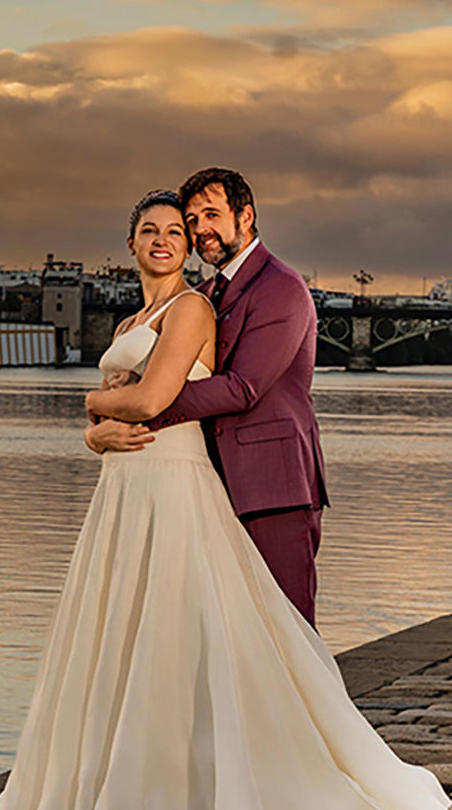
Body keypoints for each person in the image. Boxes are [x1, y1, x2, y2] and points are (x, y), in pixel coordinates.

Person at [0, 187, 452, 810]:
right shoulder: (147, 311)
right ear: (130, 244)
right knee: (143, 635)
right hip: (132, 484)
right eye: (157, 228)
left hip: (194, 478)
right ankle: (146, 780)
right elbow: (134, 406)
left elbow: (173, 395)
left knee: (242, 641)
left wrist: (97, 402)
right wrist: (99, 437)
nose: (172, 236)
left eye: (184, 226)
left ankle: (274, 779)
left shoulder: (210, 303)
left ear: (230, 225)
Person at [85, 167, 326, 625]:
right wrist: (100, 431)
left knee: (288, 629)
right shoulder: (208, 292)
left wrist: (139, 408)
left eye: (211, 215)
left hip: (273, 485)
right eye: (192, 219)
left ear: (246, 216)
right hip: (211, 482)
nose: (200, 230)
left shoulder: (281, 287)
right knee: (230, 634)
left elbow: (244, 387)